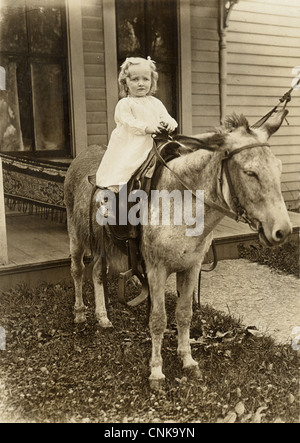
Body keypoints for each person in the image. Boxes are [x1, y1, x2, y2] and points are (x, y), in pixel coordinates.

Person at [95, 56, 178, 218]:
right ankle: (107, 198)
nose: (141, 83)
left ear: (152, 82)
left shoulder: (155, 102)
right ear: (125, 83)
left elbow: (167, 117)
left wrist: (169, 124)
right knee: (125, 167)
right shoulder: (125, 104)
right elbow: (129, 123)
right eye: (135, 79)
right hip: (132, 141)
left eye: (145, 79)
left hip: (155, 141)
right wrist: (148, 128)